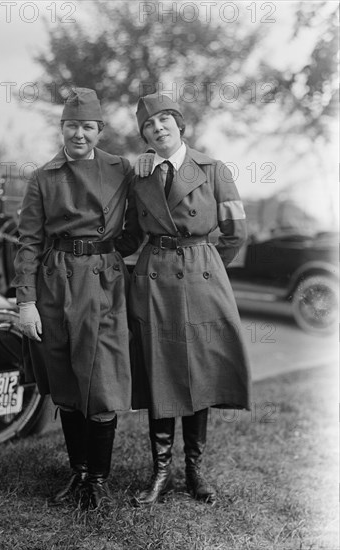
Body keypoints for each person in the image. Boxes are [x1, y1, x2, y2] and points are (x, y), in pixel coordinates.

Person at [12, 87, 139, 509]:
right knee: (66, 378)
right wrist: (25, 301)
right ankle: (79, 472)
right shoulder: (44, 176)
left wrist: (110, 257)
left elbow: (137, 224)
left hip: (104, 282)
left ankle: (98, 481)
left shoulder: (121, 169)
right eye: (72, 126)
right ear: (62, 128)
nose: (79, 134)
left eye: (88, 127)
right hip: (57, 282)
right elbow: (28, 241)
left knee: (101, 378)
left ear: (99, 130)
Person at [129, 93, 252, 505]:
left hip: (201, 275)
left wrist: (209, 266)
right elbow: (130, 229)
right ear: (144, 134)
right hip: (155, 277)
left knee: (200, 373)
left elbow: (235, 231)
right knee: (159, 369)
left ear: (180, 125)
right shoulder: (140, 174)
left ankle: (195, 470)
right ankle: (161, 472)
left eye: (165, 119)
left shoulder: (213, 169)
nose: (158, 128)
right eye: (149, 124)